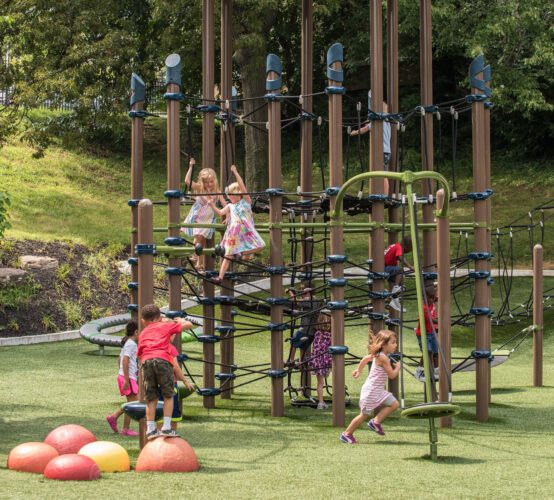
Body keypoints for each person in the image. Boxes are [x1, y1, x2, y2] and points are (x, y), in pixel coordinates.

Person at [137, 304, 194, 439]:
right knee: (168, 395)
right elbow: (189, 325)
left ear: (143, 321)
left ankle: (151, 429)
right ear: (160, 317)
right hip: (162, 360)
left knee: (151, 398)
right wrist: (179, 320)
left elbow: (140, 355)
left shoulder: (143, 333)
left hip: (146, 361)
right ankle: (167, 428)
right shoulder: (165, 325)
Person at [340, 330, 400, 444]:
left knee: (394, 404)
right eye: (393, 342)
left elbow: (365, 358)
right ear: (384, 344)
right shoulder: (383, 358)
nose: (395, 345)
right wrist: (398, 367)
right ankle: (346, 434)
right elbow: (392, 375)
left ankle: (376, 422)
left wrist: (359, 370)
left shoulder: (379, 355)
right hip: (371, 391)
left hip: (378, 390)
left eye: (395, 342)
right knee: (363, 415)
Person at [208, 164, 265, 282]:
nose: (229, 196)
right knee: (228, 255)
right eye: (228, 194)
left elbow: (243, 186)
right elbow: (219, 212)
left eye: (231, 194)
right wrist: (212, 205)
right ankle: (220, 277)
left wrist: (235, 172)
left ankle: (241, 252)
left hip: (246, 231)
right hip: (233, 233)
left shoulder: (246, 202)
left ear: (238, 194)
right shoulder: (230, 205)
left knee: (261, 245)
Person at [182, 157, 227, 272]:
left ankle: (198, 259)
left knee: (200, 239)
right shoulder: (200, 188)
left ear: (214, 181)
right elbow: (187, 181)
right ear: (203, 182)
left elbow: (224, 204)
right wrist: (191, 166)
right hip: (197, 216)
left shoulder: (217, 191)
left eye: (211, 182)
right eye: (206, 182)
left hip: (208, 218)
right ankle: (198, 259)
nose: (209, 184)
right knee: (199, 237)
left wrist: (228, 216)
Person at [106, 320, 139, 436]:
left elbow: (119, 359)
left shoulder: (128, 343)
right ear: (136, 332)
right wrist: (126, 379)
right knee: (132, 404)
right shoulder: (131, 344)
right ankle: (115, 418)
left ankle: (123, 425)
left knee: (132, 403)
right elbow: (125, 360)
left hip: (126, 376)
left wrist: (121, 373)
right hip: (128, 378)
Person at [350, 101, 392, 194]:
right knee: (384, 173)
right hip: (387, 151)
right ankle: (384, 193)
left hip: (382, 151)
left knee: (382, 174)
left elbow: (364, 129)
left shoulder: (377, 122)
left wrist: (354, 132)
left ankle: (384, 195)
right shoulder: (387, 121)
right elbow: (369, 124)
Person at [157, 344, 195, 432]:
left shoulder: (154, 346)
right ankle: (172, 433)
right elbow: (175, 366)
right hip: (169, 383)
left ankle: (159, 434)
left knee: (158, 410)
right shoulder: (170, 348)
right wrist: (185, 381)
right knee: (173, 411)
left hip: (156, 384)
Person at [308, 311, 332, 410]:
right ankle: (337, 397)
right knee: (336, 378)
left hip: (317, 360)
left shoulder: (317, 333)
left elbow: (315, 347)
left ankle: (321, 402)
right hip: (326, 360)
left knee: (320, 383)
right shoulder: (330, 334)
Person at [415, 284, 439, 382]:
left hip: (432, 333)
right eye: (429, 299)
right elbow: (432, 320)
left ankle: (436, 371)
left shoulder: (432, 301)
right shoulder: (424, 308)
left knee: (435, 353)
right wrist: (444, 321)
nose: (431, 300)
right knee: (427, 352)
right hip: (423, 334)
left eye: (432, 299)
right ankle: (419, 371)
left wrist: (436, 285)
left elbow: (437, 294)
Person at [384, 235, 413, 312]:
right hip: (382, 268)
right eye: (410, 249)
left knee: (401, 284)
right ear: (406, 246)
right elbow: (400, 257)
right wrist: (410, 267)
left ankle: (394, 301)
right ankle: (395, 288)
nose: (410, 251)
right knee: (400, 270)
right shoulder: (399, 247)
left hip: (386, 268)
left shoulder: (395, 245)